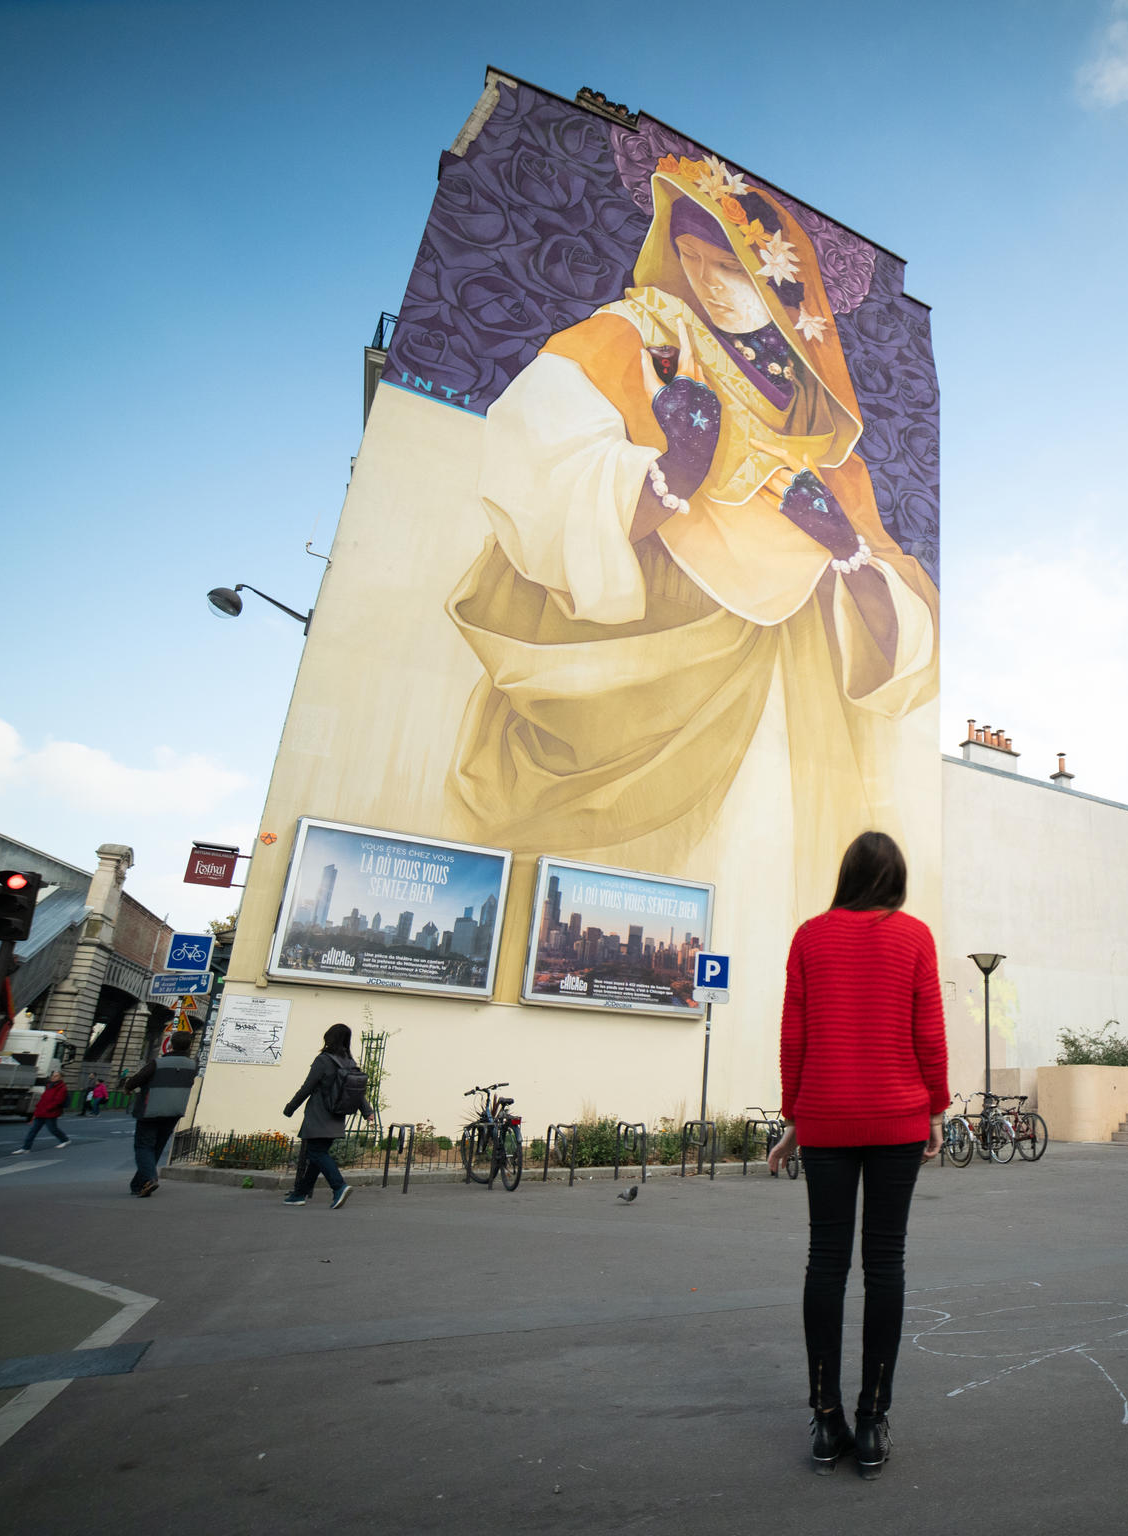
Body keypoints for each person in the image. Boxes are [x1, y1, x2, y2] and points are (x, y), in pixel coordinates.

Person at [447, 154, 938, 916]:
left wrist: (846, 550)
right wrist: (669, 473)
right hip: (602, 708)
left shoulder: (827, 449)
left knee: (750, 906)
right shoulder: (634, 342)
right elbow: (530, 481)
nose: (708, 283)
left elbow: (913, 658)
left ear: (786, 289)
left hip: (763, 746)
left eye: (734, 269)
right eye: (693, 256)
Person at [767, 831, 948, 1479]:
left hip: (826, 1118)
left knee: (825, 1261)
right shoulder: (915, 936)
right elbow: (929, 1029)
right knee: (885, 1263)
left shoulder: (808, 937)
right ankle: (871, 1424)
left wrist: (793, 1120)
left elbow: (795, 1036)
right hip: (898, 1115)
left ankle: (825, 1420)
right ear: (896, 878)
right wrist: (936, 1111)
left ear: (845, 875)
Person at [281, 1024, 371, 1208]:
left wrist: (290, 1107)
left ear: (328, 1038)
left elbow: (307, 1087)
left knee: (316, 1153)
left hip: (318, 1115)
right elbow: (358, 1092)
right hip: (337, 1116)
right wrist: (367, 1112)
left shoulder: (323, 1060)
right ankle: (299, 1194)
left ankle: (339, 1186)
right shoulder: (349, 1062)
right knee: (317, 1156)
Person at [124, 1032, 196, 1196]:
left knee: (143, 1146)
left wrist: (128, 1088)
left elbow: (136, 1080)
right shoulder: (192, 1066)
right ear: (189, 1046)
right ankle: (139, 1184)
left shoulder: (158, 1063)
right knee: (156, 1147)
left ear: (171, 1044)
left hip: (151, 1110)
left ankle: (150, 1178)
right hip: (174, 1111)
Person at [12, 1070, 71, 1153]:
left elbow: (58, 1101)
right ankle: (26, 1148)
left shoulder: (62, 1088)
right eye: (53, 1075)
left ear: (61, 1077)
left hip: (51, 1112)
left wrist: (47, 1108)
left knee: (53, 1129)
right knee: (33, 1130)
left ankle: (64, 1139)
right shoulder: (49, 1085)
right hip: (42, 1112)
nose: (53, 1077)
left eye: (56, 1076)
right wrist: (38, 1109)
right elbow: (44, 1099)